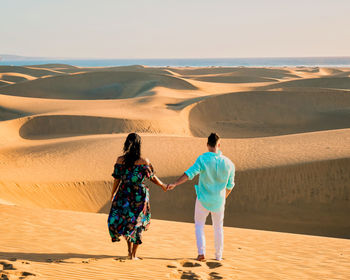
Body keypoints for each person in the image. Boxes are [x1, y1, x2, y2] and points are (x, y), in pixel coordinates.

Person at [168, 133, 235, 261]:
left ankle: (201, 253)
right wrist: (223, 197)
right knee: (218, 227)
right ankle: (218, 256)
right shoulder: (229, 163)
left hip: (203, 199)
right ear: (219, 145)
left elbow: (189, 173)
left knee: (199, 225)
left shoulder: (203, 159)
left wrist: (175, 183)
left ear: (207, 145)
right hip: (219, 201)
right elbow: (230, 185)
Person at [107, 133, 167, 260]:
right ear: (139, 145)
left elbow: (116, 179)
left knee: (128, 222)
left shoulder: (120, 160)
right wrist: (162, 185)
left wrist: (113, 193)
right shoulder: (143, 161)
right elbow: (152, 177)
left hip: (124, 194)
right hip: (139, 197)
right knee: (137, 223)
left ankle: (129, 252)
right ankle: (133, 255)